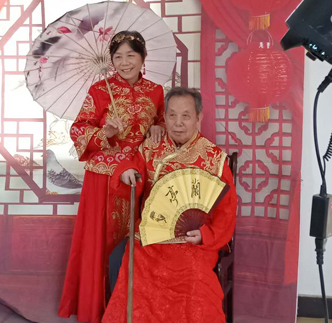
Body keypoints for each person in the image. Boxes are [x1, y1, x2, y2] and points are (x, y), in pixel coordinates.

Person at [102, 87, 237, 323]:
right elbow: (130, 170)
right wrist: (127, 171)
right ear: (164, 117)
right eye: (172, 115)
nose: (178, 123)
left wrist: (205, 235)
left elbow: (227, 210)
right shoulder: (149, 148)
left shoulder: (214, 158)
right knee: (131, 265)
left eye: (186, 116)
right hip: (152, 239)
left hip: (193, 242)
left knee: (194, 280)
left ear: (198, 117)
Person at [59, 30, 165, 323]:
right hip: (104, 178)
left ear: (143, 57)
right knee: (101, 244)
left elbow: (160, 121)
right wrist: (104, 133)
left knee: (139, 240)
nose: (124, 62)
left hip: (141, 175)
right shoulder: (99, 90)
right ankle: (99, 310)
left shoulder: (156, 91)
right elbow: (78, 129)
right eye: (118, 57)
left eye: (131, 55)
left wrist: (158, 126)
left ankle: (133, 310)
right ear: (111, 61)